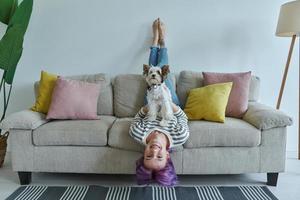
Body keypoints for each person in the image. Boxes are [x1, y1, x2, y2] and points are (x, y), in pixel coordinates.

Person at [129, 18, 189, 186]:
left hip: (150, 105)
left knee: (151, 71)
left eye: (149, 155)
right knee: (162, 68)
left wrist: (147, 109)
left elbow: (136, 119)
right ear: (168, 155)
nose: (154, 150)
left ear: (144, 153)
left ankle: (155, 41)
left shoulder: (137, 134)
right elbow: (184, 118)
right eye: (159, 156)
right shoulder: (180, 136)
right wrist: (171, 105)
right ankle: (161, 42)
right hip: (171, 103)